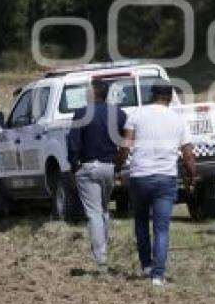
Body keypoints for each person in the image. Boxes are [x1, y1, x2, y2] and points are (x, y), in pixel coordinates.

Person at [116, 80, 195, 287]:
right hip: (165, 179)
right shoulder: (178, 120)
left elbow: (125, 146)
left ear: (152, 95)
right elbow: (188, 155)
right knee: (162, 228)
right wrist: (190, 178)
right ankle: (158, 276)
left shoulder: (137, 115)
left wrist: (118, 167)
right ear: (169, 97)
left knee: (141, 222)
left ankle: (146, 265)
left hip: (140, 177)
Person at [67, 79, 127, 274]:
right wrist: (119, 165)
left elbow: (73, 142)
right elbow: (124, 140)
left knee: (93, 214)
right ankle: (104, 249)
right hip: (109, 167)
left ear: (93, 93)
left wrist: (73, 165)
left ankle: (100, 259)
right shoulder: (119, 114)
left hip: (88, 167)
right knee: (103, 210)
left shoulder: (81, 113)